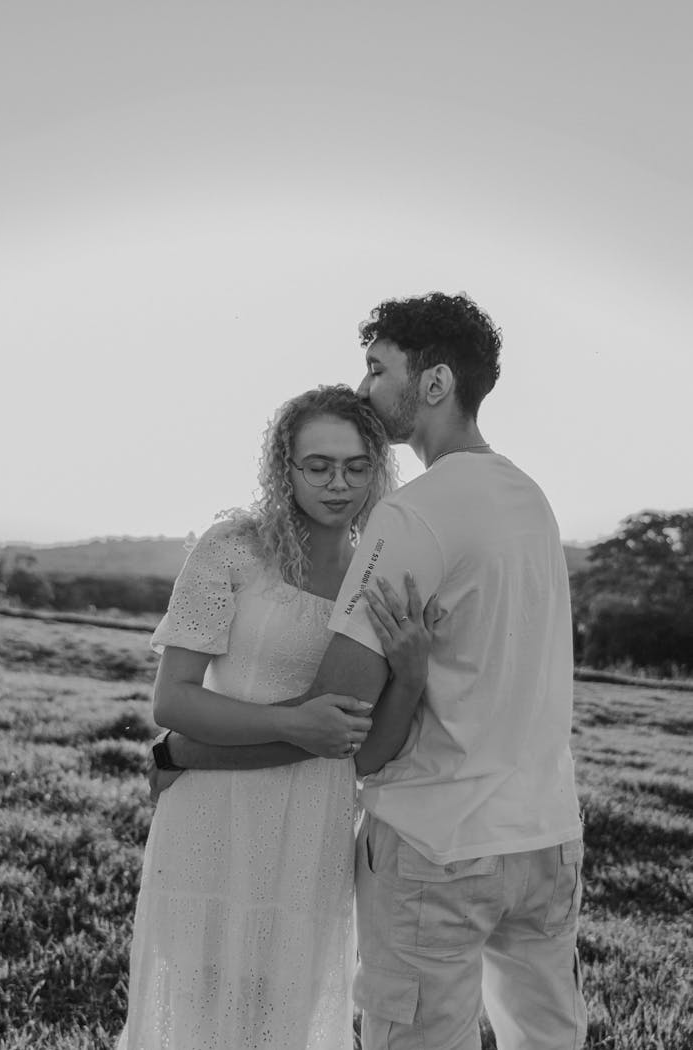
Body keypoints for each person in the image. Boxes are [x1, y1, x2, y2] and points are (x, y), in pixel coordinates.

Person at [154, 291, 587, 1050]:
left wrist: (184, 752)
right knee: (548, 1038)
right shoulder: (532, 497)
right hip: (548, 838)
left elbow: (340, 719)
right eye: (317, 465)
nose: (363, 386)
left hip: (438, 843)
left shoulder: (409, 516)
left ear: (434, 384)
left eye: (377, 368)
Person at [117, 384, 438, 1050]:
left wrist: (411, 676)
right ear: (283, 467)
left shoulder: (375, 575)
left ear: (378, 469)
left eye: (355, 466)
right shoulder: (233, 548)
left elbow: (368, 752)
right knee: (201, 1013)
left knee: (282, 1021)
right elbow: (172, 700)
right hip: (214, 818)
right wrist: (291, 724)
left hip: (314, 828)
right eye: (317, 465)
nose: (338, 483)